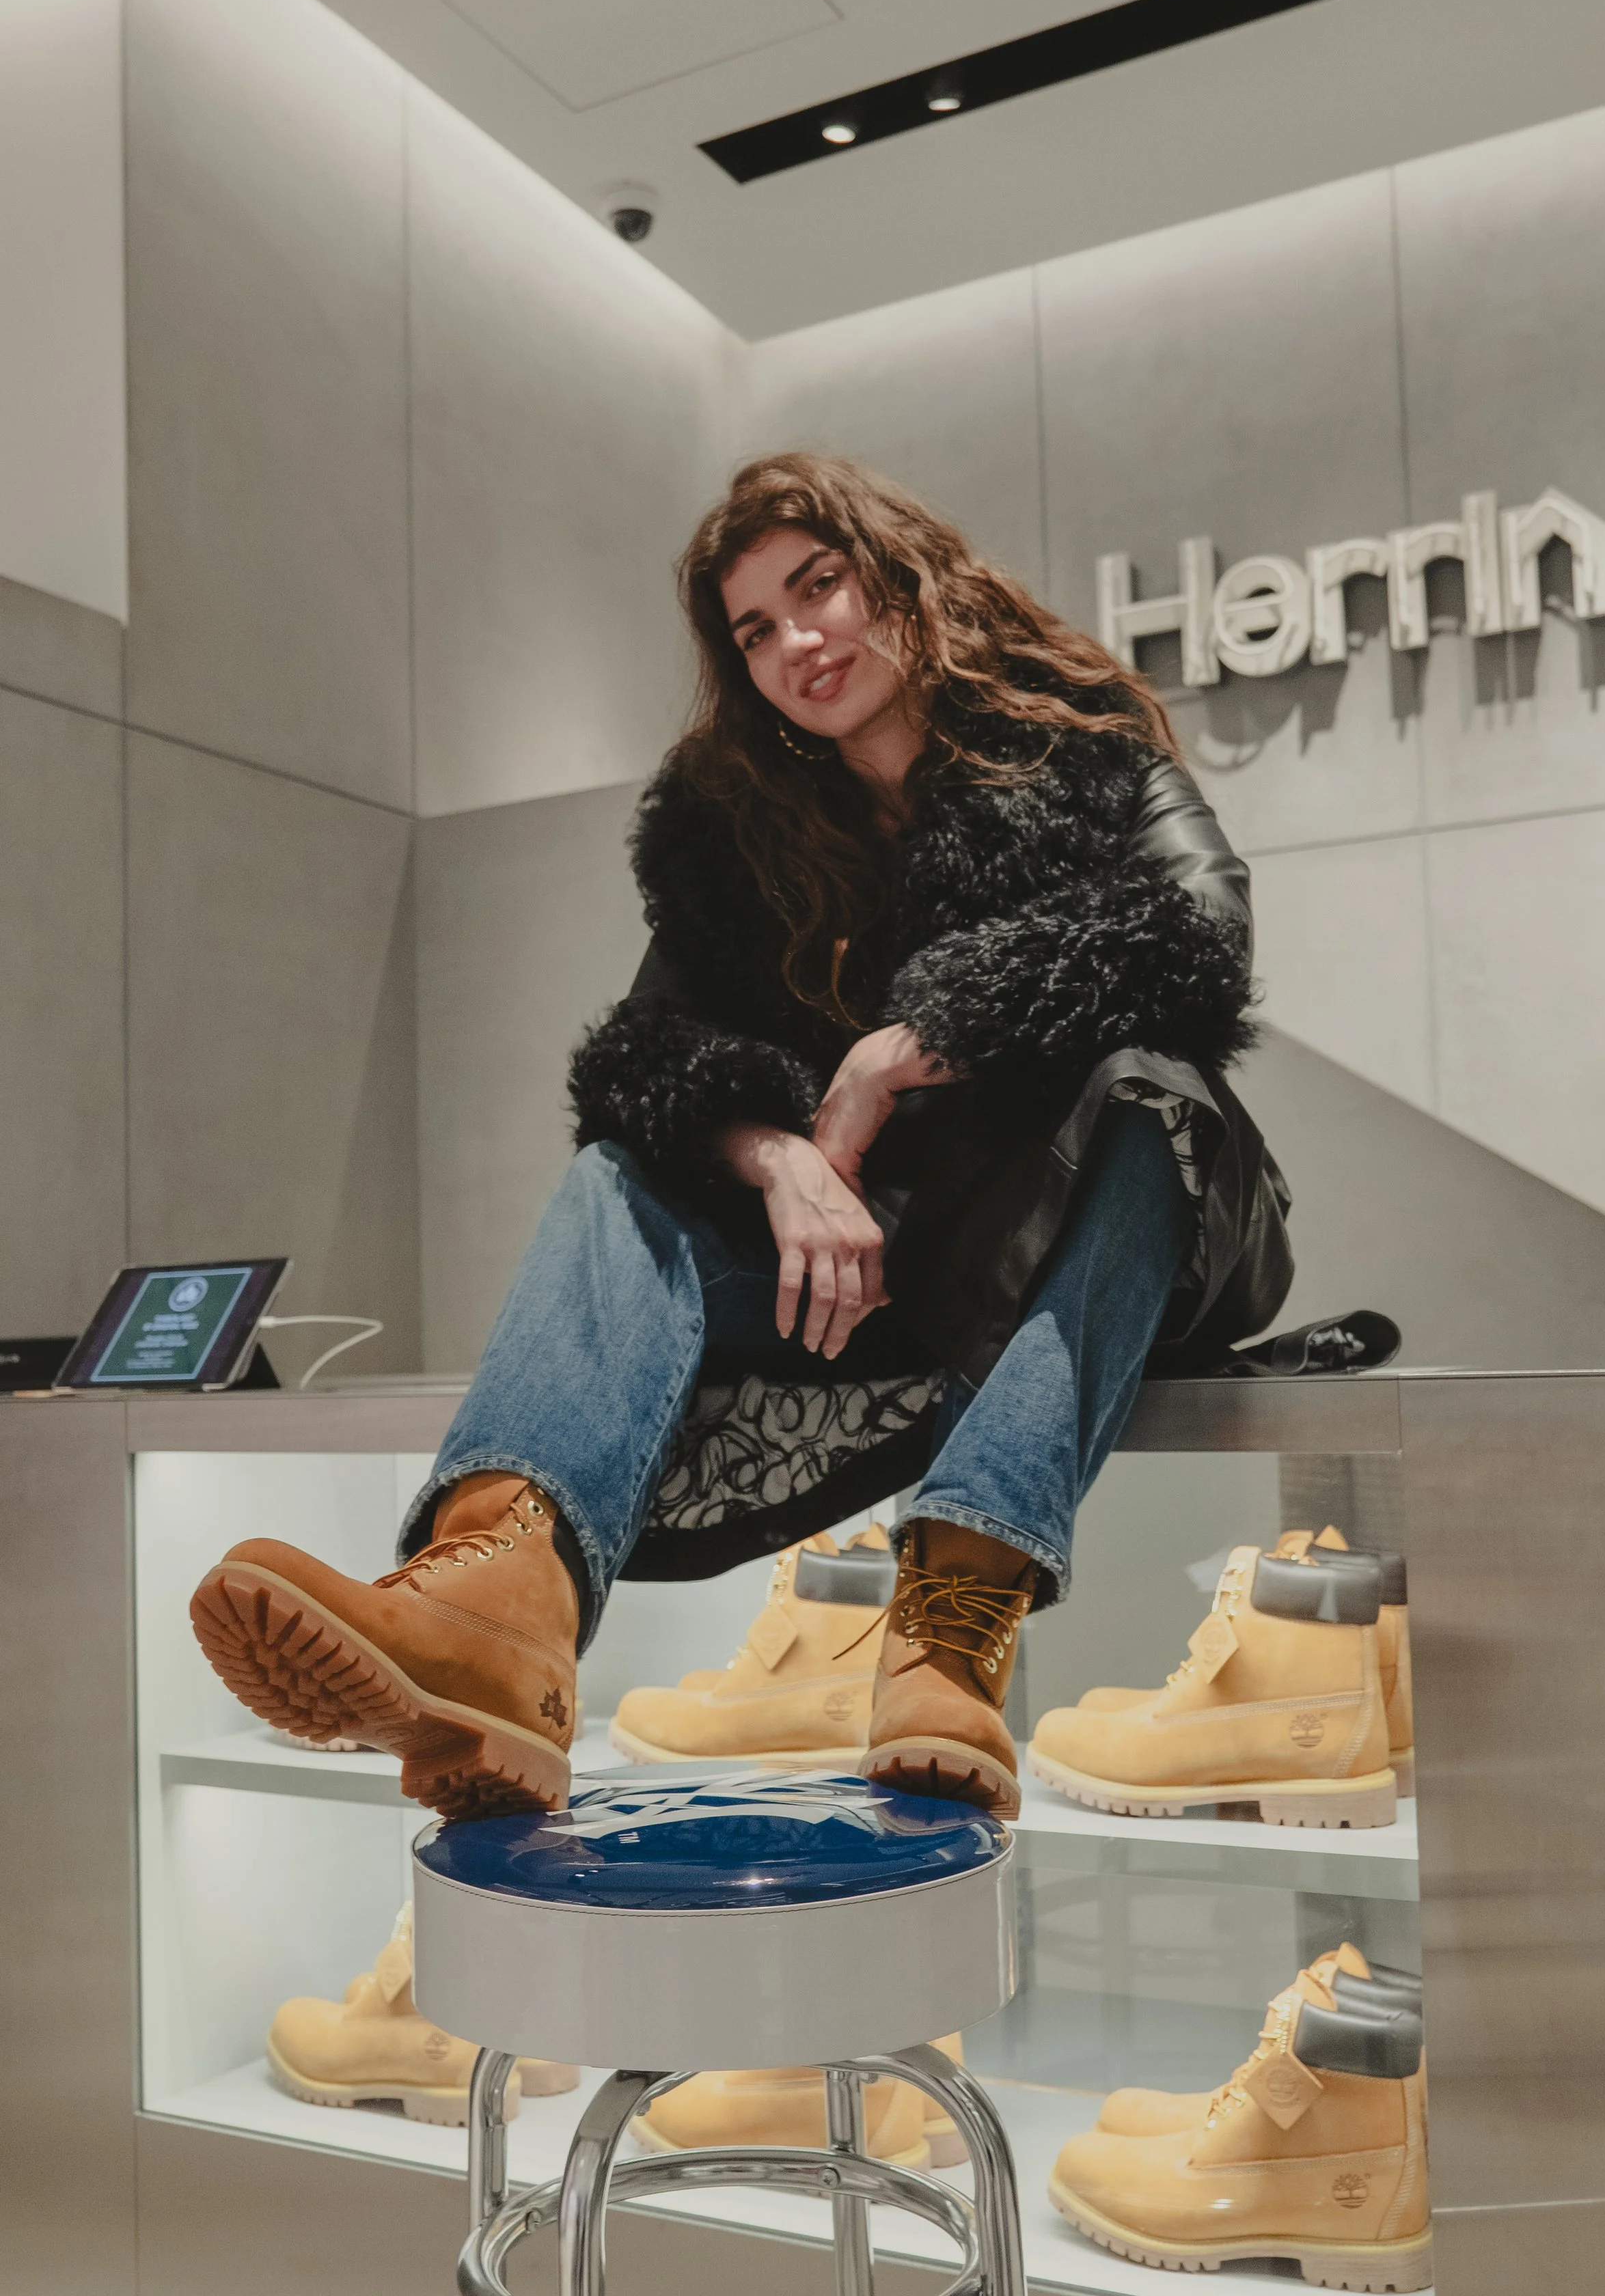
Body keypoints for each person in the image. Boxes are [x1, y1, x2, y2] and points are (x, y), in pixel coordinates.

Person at [191, 455, 1290, 1821]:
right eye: (754, 630)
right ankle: (498, 1612)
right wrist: (777, 1160)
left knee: (1145, 1089)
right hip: (880, 1263)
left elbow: (1193, 945)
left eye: (814, 588)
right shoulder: (738, 837)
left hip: (1096, 1231)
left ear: (897, 573)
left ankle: (949, 1622)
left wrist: (902, 1045)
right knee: (617, 1176)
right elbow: (643, 1065)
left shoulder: (1083, 757)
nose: (793, 644)